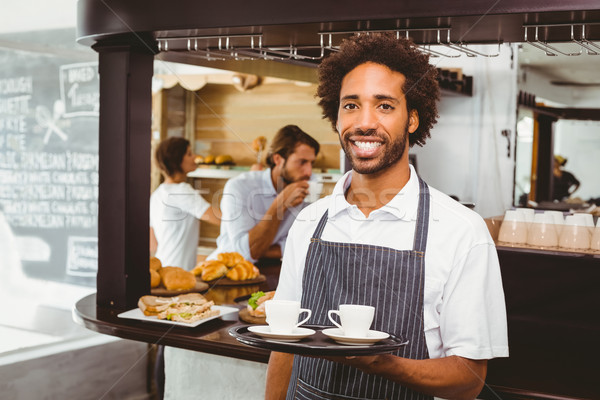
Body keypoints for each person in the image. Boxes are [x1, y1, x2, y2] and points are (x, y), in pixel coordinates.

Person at [266, 33, 508, 400]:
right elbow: (284, 344)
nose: (364, 122)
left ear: (412, 118)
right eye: (351, 105)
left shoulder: (461, 231)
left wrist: (384, 364)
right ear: (336, 117)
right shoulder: (309, 222)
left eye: (384, 106)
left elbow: (469, 378)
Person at [209, 124, 320, 262]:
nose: (308, 172)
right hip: (227, 271)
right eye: (302, 162)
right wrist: (280, 204)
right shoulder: (239, 187)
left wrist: (263, 250)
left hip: (272, 271)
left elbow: (304, 244)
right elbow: (246, 253)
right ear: (278, 159)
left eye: (311, 163)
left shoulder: (308, 190)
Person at [150, 136, 221, 270]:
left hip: (163, 269)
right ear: (177, 160)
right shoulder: (182, 191)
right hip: (178, 271)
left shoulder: (157, 194)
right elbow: (220, 218)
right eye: (189, 154)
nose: (194, 157)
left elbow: (152, 243)